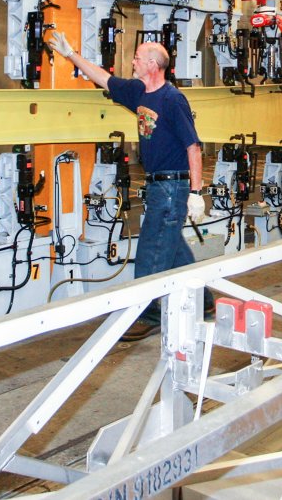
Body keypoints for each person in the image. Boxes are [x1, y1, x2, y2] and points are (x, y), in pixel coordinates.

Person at [49, 32, 207, 341]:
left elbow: (194, 148)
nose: (131, 61)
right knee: (172, 248)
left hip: (173, 186)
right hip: (159, 185)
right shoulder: (139, 92)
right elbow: (105, 79)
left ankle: (146, 313)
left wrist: (196, 193)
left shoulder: (173, 100)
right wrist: (72, 54)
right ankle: (206, 301)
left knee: (151, 249)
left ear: (151, 64)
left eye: (136, 57)